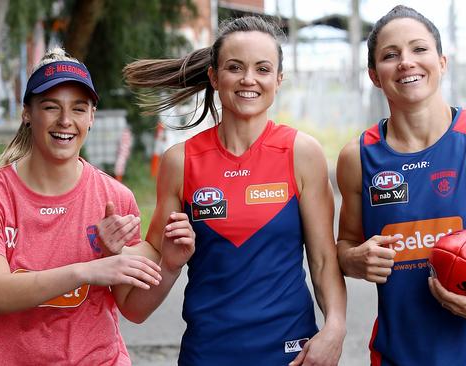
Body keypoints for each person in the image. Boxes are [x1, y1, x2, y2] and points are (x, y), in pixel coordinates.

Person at [122, 16, 347, 366]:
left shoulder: (302, 153)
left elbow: (322, 260)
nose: (249, 79)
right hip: (208, 353)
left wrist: (334, 328)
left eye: (262, 68)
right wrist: (145, 256)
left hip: (290, 353)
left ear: (278, 80)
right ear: (214, 77)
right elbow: (138, 306)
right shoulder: (180, 162)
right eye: (235, 67)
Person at [0, 47, 194, 365]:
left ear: (92, 116)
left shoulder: (114, 198)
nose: (65, 121)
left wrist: (170, 265)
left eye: (79, 109)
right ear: (27, 112)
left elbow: (134, 310)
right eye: (51, 107)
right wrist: (89, 270)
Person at [335, 5, 466, 366]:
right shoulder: (357, 157)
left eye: (419, 49)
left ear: (442, 62)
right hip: (395, 355)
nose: (406, 62)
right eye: (390, 55)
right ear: (374, 75)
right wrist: (354, 259)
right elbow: (345, 246)